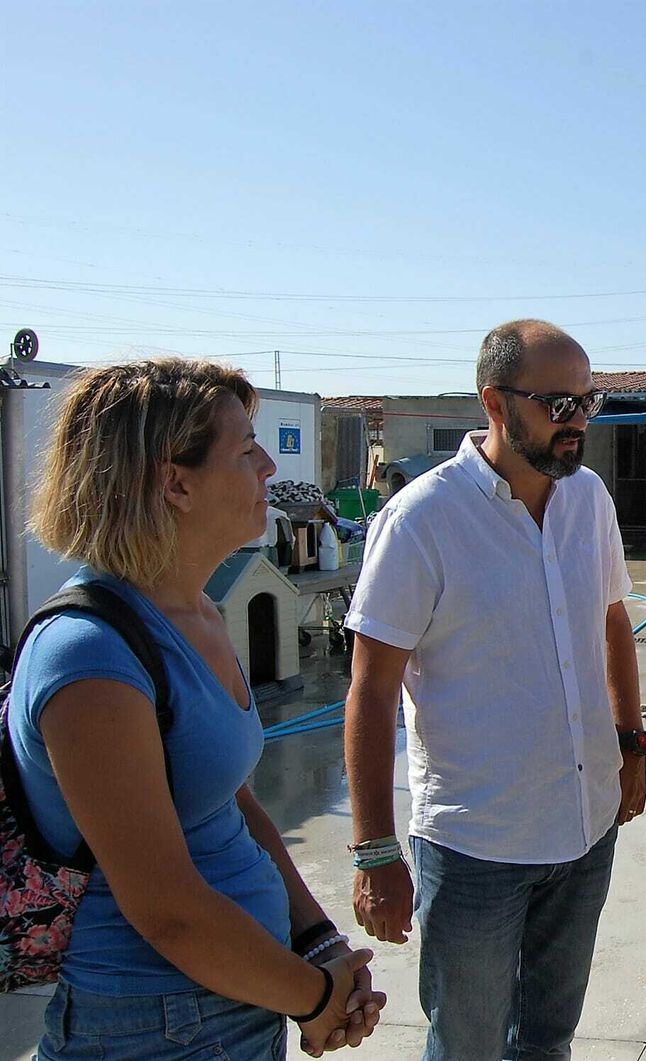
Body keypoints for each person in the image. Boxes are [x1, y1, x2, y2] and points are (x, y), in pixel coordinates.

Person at [10, 358, 383, 1059]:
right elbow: (168, 910)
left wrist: (317, 943)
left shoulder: (195, 613)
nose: (268, 467)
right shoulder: (89, 656)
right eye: (246, 451)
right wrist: (315, 997)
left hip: (241, 996)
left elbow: (232, 804)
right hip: (151, 1026)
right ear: (175, 483)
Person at [342, 319, 646, 1061]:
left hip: (584, 829)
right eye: (558, 404)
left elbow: (613, 623)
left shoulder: (589, 499)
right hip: (478, 846)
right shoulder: (422, 520)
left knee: (547, 1041)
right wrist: (374, 849)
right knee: (469, 1046)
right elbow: (371, 691)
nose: (577, 421)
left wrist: (631, 745)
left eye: (587, 401)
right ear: (495, 402)